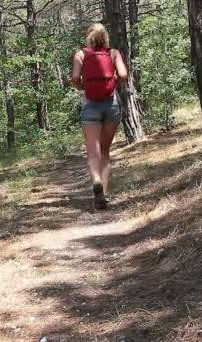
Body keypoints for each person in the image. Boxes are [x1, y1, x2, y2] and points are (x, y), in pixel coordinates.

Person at [70, 23, 128, 210]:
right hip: (111, 104)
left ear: (88, 37)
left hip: (90, 105)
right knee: (105, 151)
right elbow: (124, 74)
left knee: (93, 151)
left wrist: (83, 88)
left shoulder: (81, 54)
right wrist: (112, 83)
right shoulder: (113, 53)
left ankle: (96, 181)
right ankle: (104, 192)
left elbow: (75, 78)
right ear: (105, 37)